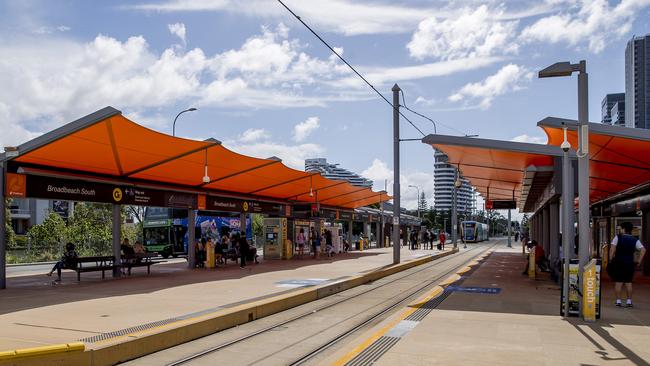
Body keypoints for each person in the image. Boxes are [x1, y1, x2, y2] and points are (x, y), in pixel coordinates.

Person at [608, 222, 646, 307]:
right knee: (629, 283)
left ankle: (618, 301)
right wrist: (639, 261)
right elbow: (643, 250)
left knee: (619, 282)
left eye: (621, 228)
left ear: (624, 229)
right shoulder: (635, 239)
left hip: (619, 262)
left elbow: (612, 249)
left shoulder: (617, 237)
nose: (620, 230)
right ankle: (629, 302)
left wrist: (610, 259)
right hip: (629, 263)